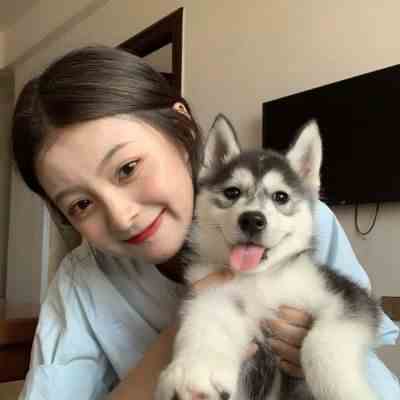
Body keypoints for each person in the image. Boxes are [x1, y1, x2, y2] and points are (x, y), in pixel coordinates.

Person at [11, 46, 399, 400]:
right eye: (81, 204)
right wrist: (180, 343)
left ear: (182, 131)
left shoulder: (299, 223)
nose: (122, 216)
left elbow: (362, 351)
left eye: (127, 168)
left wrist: (317, 349)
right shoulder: (82, 281)